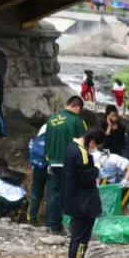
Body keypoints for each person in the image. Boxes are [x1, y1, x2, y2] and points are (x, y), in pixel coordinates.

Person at [65, 128, 107, 258]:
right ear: (92, 142)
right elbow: (86, 178)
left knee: (77, 240)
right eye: (96, 146)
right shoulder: (81, 152)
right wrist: (98, 165)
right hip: (83, 204)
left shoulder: (72, 147)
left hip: (76, 201)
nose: (95, 149)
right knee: (80, 241)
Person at [39, 96, 87, 234]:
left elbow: (46, 142)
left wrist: (49, 160)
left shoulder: (52, 120)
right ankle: (73, 227)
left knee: (54, 194)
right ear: (77, 106)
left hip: (54, 163)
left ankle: (52, 226)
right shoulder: (77, 121)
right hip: (71, 164)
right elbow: (84, 143)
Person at [98, 150, 129, 215]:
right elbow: (98, 176)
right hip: (118, 181)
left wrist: (125, 180)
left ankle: (128, 222)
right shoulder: (97, 163)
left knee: (122, 204)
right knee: (111, 201)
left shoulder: (113, 159)